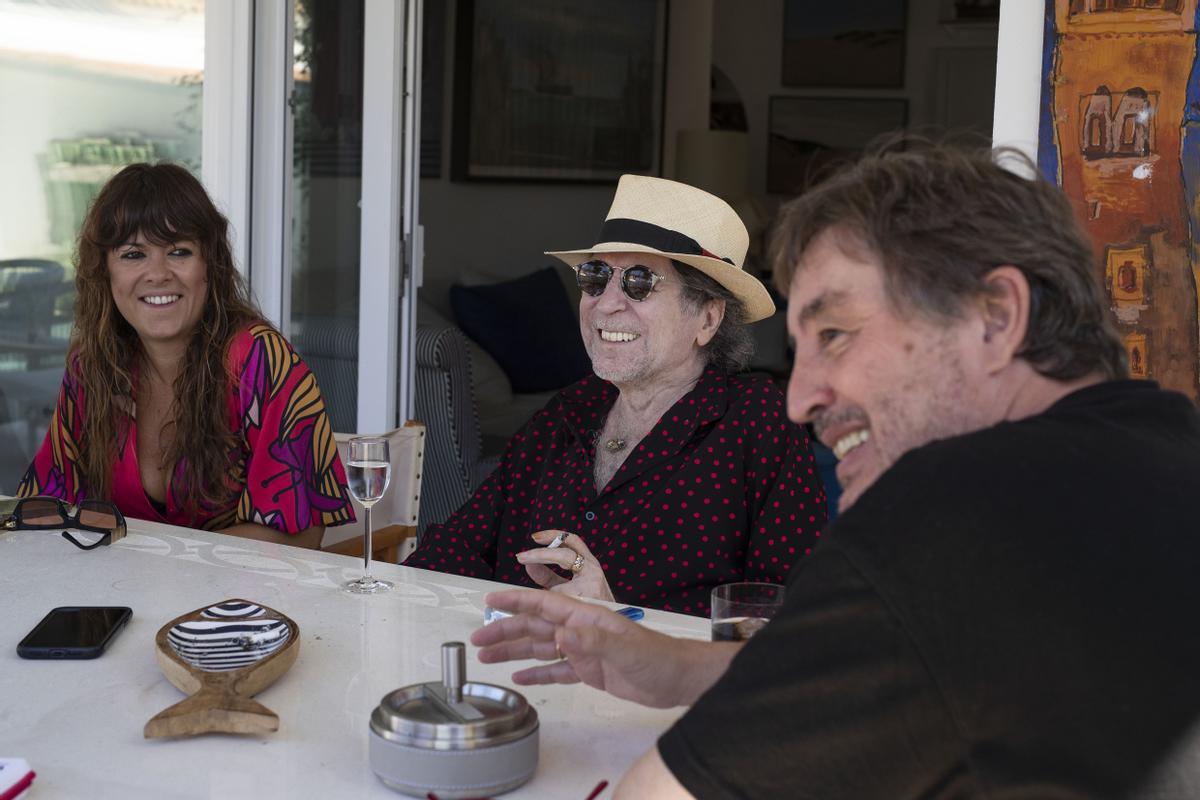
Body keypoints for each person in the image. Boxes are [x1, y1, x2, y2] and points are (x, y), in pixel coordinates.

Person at [471, 142, 1200, 797]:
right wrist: (679, 666)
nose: (799, 399)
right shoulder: (1159, 450)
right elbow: (884, 665)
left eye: (836, 334)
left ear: (996, 315)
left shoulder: (950, 514)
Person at [405, 175, 826, 615]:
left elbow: (785, 619)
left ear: (707, 318)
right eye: (595, 277)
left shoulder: (757, 422)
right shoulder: (567, 413)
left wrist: (618, 621)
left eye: (639, 282)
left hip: (656, 684)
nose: (605, 303)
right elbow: (456, 549)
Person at [18, 163, 355, 548]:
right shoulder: (91, 366)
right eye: (133, 254)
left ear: (210, 265)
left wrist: (158, 565)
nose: (158, 273)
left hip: (238, 601)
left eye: (179, 251)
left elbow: (300, 534)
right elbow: (44, 507)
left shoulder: (259, 359)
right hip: (115, 596)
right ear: (105, 271)